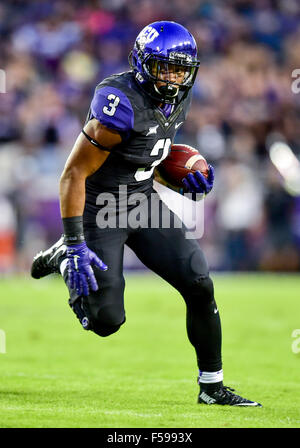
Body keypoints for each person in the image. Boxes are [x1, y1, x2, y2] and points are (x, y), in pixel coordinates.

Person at [31, 21, 261, 407]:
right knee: (106, 321)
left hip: (139, 201)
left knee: (200, 282)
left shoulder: (177, 96)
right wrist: (75, 242)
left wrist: (180, 180)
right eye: (164, 67)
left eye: (180, 69)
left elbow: (144, 158)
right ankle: (63, 256)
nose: (173, 77)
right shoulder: (119, 103)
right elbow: (74, 173)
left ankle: (212, 386)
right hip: (100, 206)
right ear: (142, 64)